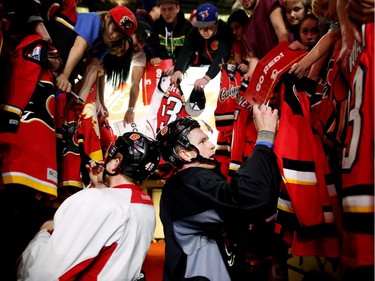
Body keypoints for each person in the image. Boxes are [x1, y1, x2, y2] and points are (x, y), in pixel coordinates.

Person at [156, 103, 281, 280]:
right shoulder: (186, 183)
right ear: (185, 155)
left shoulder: (193, 180)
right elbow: (250, 197)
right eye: (202, 142)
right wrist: (264, 138)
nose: (212, 145)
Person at [17, 132, 160, 280]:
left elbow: (45, 274)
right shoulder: (146, 204)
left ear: (115, 164)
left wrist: (44, 233)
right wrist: (98, 186)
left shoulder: (97, 200)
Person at [55, 5, 137, 94]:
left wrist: (82, 99)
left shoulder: (105, 40)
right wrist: (65, 75)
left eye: (120, 35)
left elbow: (93, 67)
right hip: (55, 47)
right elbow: (78, 47)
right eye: (114, 29)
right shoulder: (94, 19)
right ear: (107, 17)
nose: (114, 36)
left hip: (63, 60)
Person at [170, 3, 232, 91]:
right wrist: (178, 70)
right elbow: (186, 49)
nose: (205, 31)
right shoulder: (194, 31)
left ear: (216, 24)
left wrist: (207, 77)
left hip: (224, 67)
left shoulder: (224, 30)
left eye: (209, 27)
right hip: (203, 64)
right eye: (201, 27)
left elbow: (222, 55)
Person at [238, 0, 289, 81]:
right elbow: (254, 57)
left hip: (287, 65)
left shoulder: (267, 2)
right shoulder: (246, 30)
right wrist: (249, 74)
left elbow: (281, 31)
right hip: (270, 75)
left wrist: (283, 60)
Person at [124, 21, 153, 125]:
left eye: (143, 42)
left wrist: (130, 109)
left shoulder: (140, 55)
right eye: (139, 40)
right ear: (131, 33)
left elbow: (135, 84)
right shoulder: (114, 42)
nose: (140, 46)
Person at [152, 0, 192, 75]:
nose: (167, 13)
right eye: (163, 9)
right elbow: (152, 46)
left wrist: (179, 66)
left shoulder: (188, 27)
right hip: (161, 71)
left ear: (177, 8)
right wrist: (153, 56)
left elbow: (190, 51)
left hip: (184, 70)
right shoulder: (155, 26)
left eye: (170, 9)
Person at [226, 8, 250, 73]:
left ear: (246, 25)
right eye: (232, 29)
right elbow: (238, 64)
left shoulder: (256, 39)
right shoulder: (237, 42)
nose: (234, 32)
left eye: (237, 27)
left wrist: (249, 68)